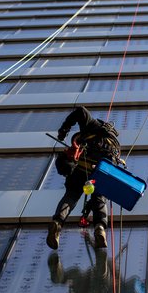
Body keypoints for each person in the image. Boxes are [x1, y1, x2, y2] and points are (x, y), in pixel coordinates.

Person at [46, 106, 121, 250]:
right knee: (99, 199)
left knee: (71, 195)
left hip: (82, 166)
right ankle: (100, 228)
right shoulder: (110, 141)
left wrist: (64, 129)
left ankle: (57, 223)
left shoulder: (92, 125)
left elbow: (80, 111)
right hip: (101, 169)